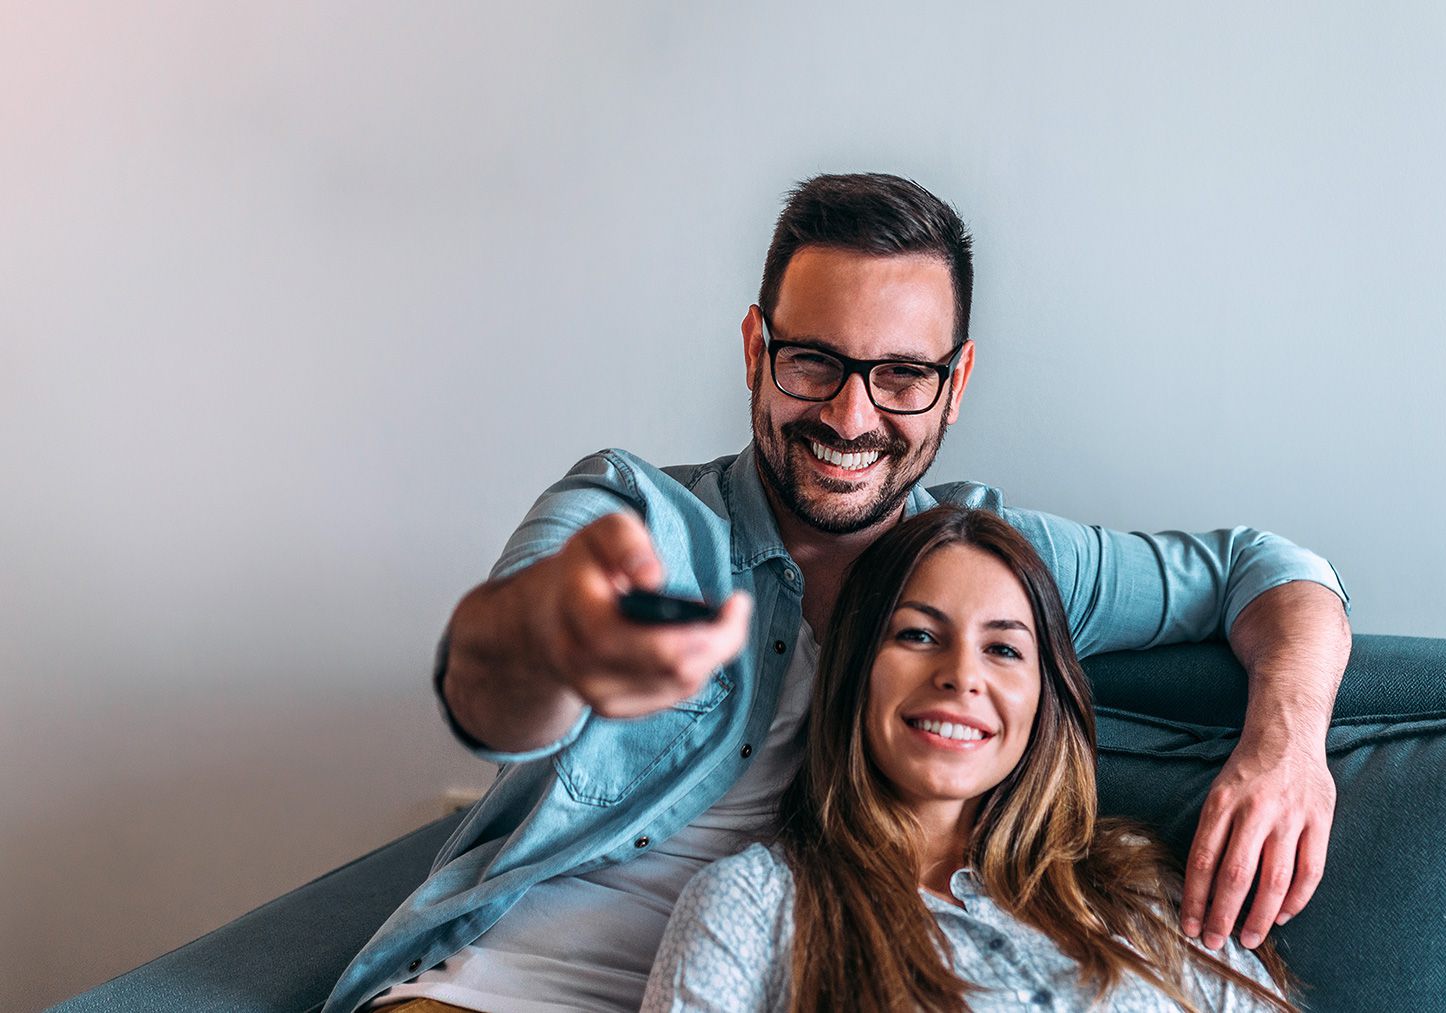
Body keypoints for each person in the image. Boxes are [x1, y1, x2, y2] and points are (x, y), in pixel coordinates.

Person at [326, 173, 1350, 1013]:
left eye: (902, 375)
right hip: (505, 990)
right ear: (753, 350)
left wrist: (1286, 745)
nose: (853, 416)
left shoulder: (993, 572)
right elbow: (489, 676)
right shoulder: (633, 519)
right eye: (814, 361)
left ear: (956, 382)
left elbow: (1272, 571)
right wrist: (556, 640)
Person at [642, 507, 1301, 1012]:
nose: (962, 674)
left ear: (1047, 697)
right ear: (855, 669)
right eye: (918, 634)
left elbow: (1271, 567)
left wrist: (1284, 743)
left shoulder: (1144, 896)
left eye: (1005, 649)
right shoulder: (753, 906)